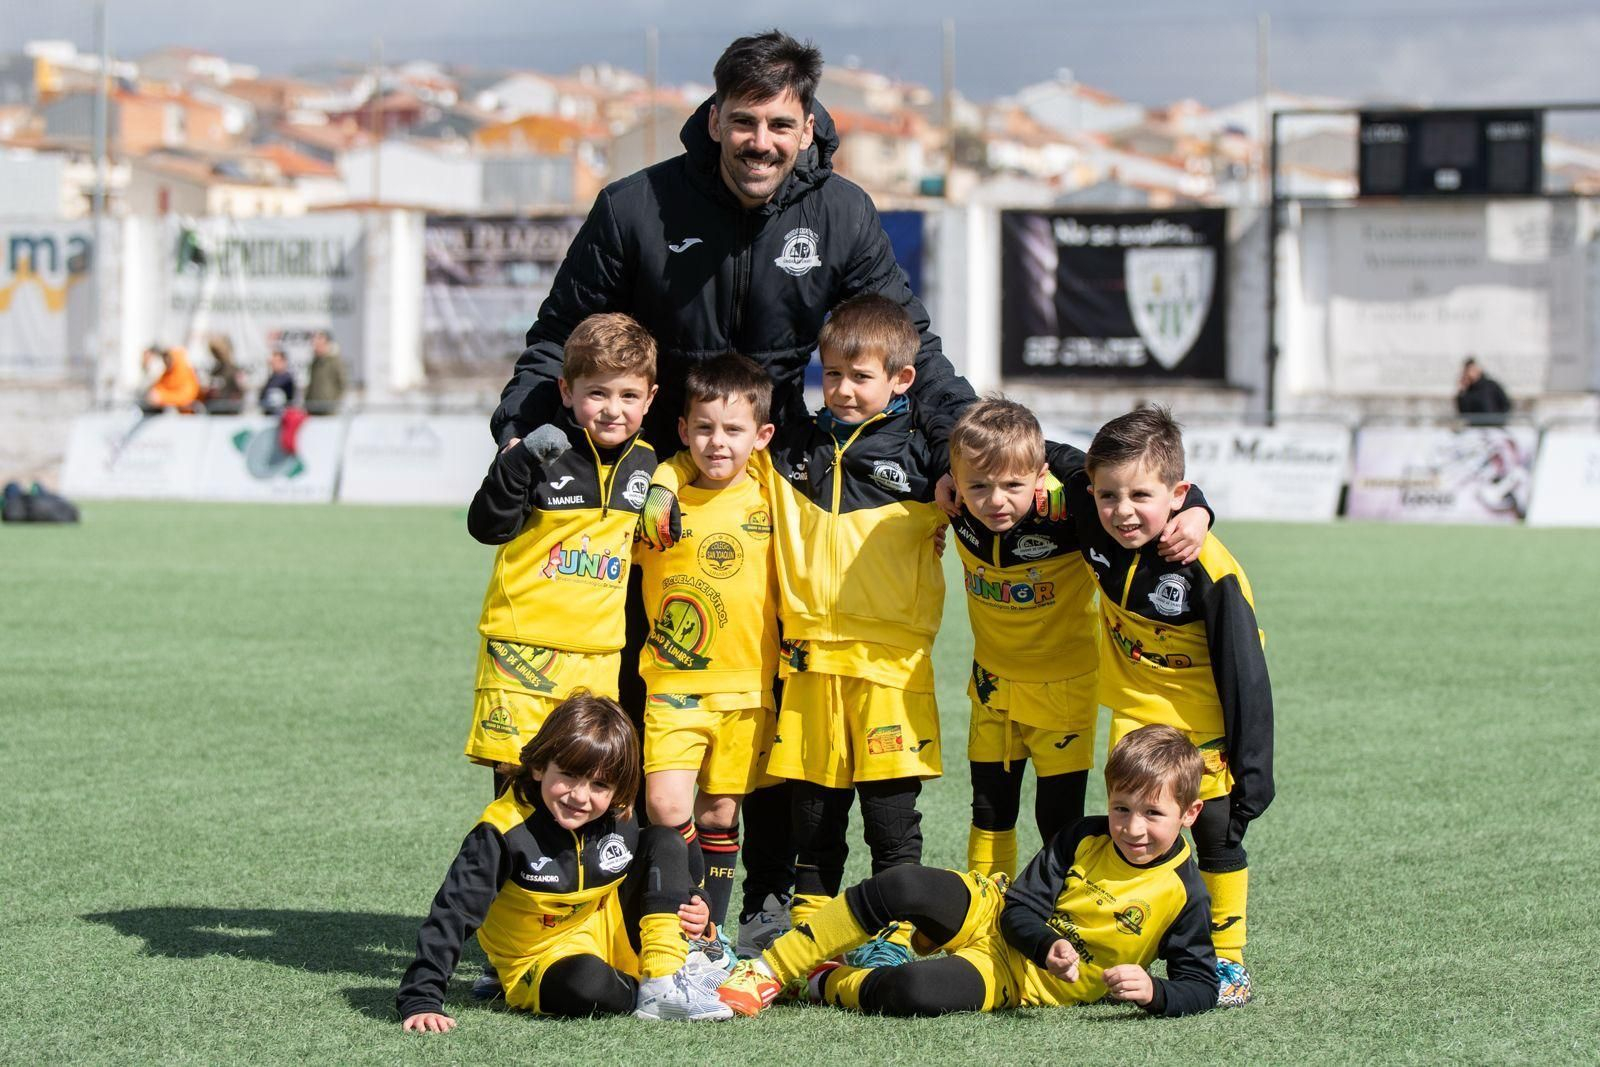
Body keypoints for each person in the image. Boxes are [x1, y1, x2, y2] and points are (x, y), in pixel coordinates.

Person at [492, 29, 979, 957]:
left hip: (773, 491)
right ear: (714, 118)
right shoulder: (636, 205)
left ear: (808, 127)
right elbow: (557, 338)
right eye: (744, 120)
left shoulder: (841, 212)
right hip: (647, 494)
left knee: (765, 702)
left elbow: (915, 345)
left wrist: (976, 447)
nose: (760, 140)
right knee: (635, 694)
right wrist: (527, 431)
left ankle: (761, 904)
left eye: (780, 124)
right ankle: (604, 902)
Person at [648, 294, 948, 968]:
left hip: (891, 669)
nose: (843, 389)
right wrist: (663, 482)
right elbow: (710, 450)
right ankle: (815, 940)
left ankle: (894, 934)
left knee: (891, 816)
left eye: (860, 376)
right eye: (832, 374)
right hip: (810, 665)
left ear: (901, 380)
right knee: (816, 816)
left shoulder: (932, 460)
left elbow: (1010, 469)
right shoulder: (793, 448)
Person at [714, 724, 1219, 1019]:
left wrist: (1155, 992)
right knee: (904, 883)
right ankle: (769, 970)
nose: (1132, 828)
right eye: (1121, 808)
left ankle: (824, 981)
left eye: (1153, 814)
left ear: (1189, 814)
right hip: (993, 912)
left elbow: (1201, 984)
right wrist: (1048, 943)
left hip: (1017, 980)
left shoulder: (1184, 892)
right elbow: (1020, 909)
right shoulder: (1084, 835)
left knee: (912, 992)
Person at [946, 398, 1211, 880]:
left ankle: (1060, 910)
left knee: (1057, 819)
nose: (995, 500)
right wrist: (948, 481)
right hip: (990, 688)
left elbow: (1118, 477)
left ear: (1038, 473)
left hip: (1063, 690)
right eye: (979, 486)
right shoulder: (953, 498)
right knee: (989, 812)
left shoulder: (1070, 507)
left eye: (1012, 484)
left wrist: (1197, 509)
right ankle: (985, 909)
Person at [1064, 405, 1274, 1007]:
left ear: (1176, 494)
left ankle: (1226, 962)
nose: (1121, 511)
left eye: (1140, 496)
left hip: (1204, 727)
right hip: (1133, 715)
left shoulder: (1208, 568)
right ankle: (1126, 944)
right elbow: (1052, 457)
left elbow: (1247, 680)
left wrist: (1253, 778)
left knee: (1214, 838)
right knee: (1135, 831)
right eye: (1108, 495)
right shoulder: (1090, 511)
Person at [396, 693, 733, 1027]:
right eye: (569, 775)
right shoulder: (502, 832)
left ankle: (665, 977)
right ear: (540, 766)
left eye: (600, 784)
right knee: (583, 983)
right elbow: (452, 912)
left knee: (665, 839)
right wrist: (421, 998)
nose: (580, 796)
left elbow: (659, 865)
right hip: (539, 961)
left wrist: (694, 899)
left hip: (611, 933)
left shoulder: (618, 814)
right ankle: (650, 994)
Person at [464, 312, 658, 794]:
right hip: (521, 652)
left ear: (650, 398)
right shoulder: (540, 451)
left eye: (629, 395)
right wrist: (517, 463)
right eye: (598, 393)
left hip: (597, 658)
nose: (614, 409)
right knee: (520, 794)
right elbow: (486, 526)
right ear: (566, 391)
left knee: (586, 793)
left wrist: (666, 491)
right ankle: (498, 872)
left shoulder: (649, 463)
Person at [634, 354, 781, 966]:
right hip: (672, 682)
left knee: (721, 812)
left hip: (749, 689)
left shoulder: (775, 497)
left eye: (733, 430)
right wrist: (664, 478)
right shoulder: (657, 502)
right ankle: (687, 907)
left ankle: (709, 941)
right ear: (682, 429)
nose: (717, 442)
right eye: (703, 428)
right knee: (667, 807)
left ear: (762, 436)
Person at [140, 345, 201, 413]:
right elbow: (159, 387)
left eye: (169, 358)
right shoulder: (168, 373)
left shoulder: (185, 373)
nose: (166, 361)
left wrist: (162, 397)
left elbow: (186, 396)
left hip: (186, 415)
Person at [1455, 357, 1511, 426]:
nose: (1472, 373)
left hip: (1495, 426)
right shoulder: (1467, 391)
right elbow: (1463, 412)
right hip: (1475, 428)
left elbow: (1506, 404)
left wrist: (1499, 420)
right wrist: (1462, 393)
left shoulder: (1491, 385)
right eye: (1469, 370)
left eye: (1473, 369)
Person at [201, 335, 246, 414]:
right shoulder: (215, 371)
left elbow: (240, 392)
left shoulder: (234, 370)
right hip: (214, 411)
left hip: (229, 413)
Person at [305, 330, 347, 415]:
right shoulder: (314, 363)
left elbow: (343, 384)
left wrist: (333, 403)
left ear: (327, 344)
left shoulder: (335, 362)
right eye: (315, 345)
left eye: (319, 344)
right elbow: (310, 385)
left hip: (329, 412)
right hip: (313, 410)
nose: (316, 347)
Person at [259, 349, 296, 415]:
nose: (273, 364)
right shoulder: (271, 378)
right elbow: (263, 397)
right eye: (272, 362)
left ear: (284, 362)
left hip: (282, 417)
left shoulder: (288, 380)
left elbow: (291, 401)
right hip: (270, 416)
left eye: (276, 361)